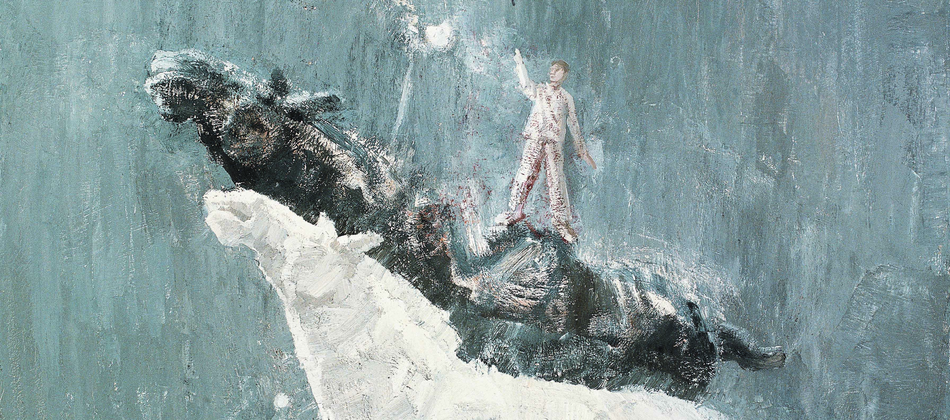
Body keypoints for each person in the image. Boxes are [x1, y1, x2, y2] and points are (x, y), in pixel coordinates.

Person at [495, 49, 596, 243]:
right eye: (551, 69)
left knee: (556, 181)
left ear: (564, 74)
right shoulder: (540, 90)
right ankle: (515, 212)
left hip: (553, 143)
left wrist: (582, 150)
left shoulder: (566, 98)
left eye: (557, 70)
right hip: (535, 138)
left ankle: (561, 223)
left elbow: (573, 123)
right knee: (525, 174)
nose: (552, 72)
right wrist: (520, 64)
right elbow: (526, 85)